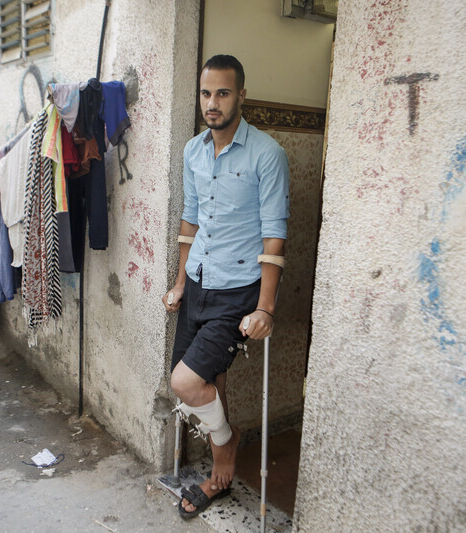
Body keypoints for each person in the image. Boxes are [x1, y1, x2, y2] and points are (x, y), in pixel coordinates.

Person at [163, 54, 289, 519]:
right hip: (197, 283)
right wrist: (178, 283)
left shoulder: (267, 154)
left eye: (222, 93)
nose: (212, 103)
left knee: (185, 382)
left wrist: (266, 309)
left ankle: (225, 444)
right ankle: (223, 449)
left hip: (237, 291)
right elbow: (189, 220)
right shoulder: (193, 151)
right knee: (204, 381)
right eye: (205, 93)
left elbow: (275, 234)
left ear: (241, 95)